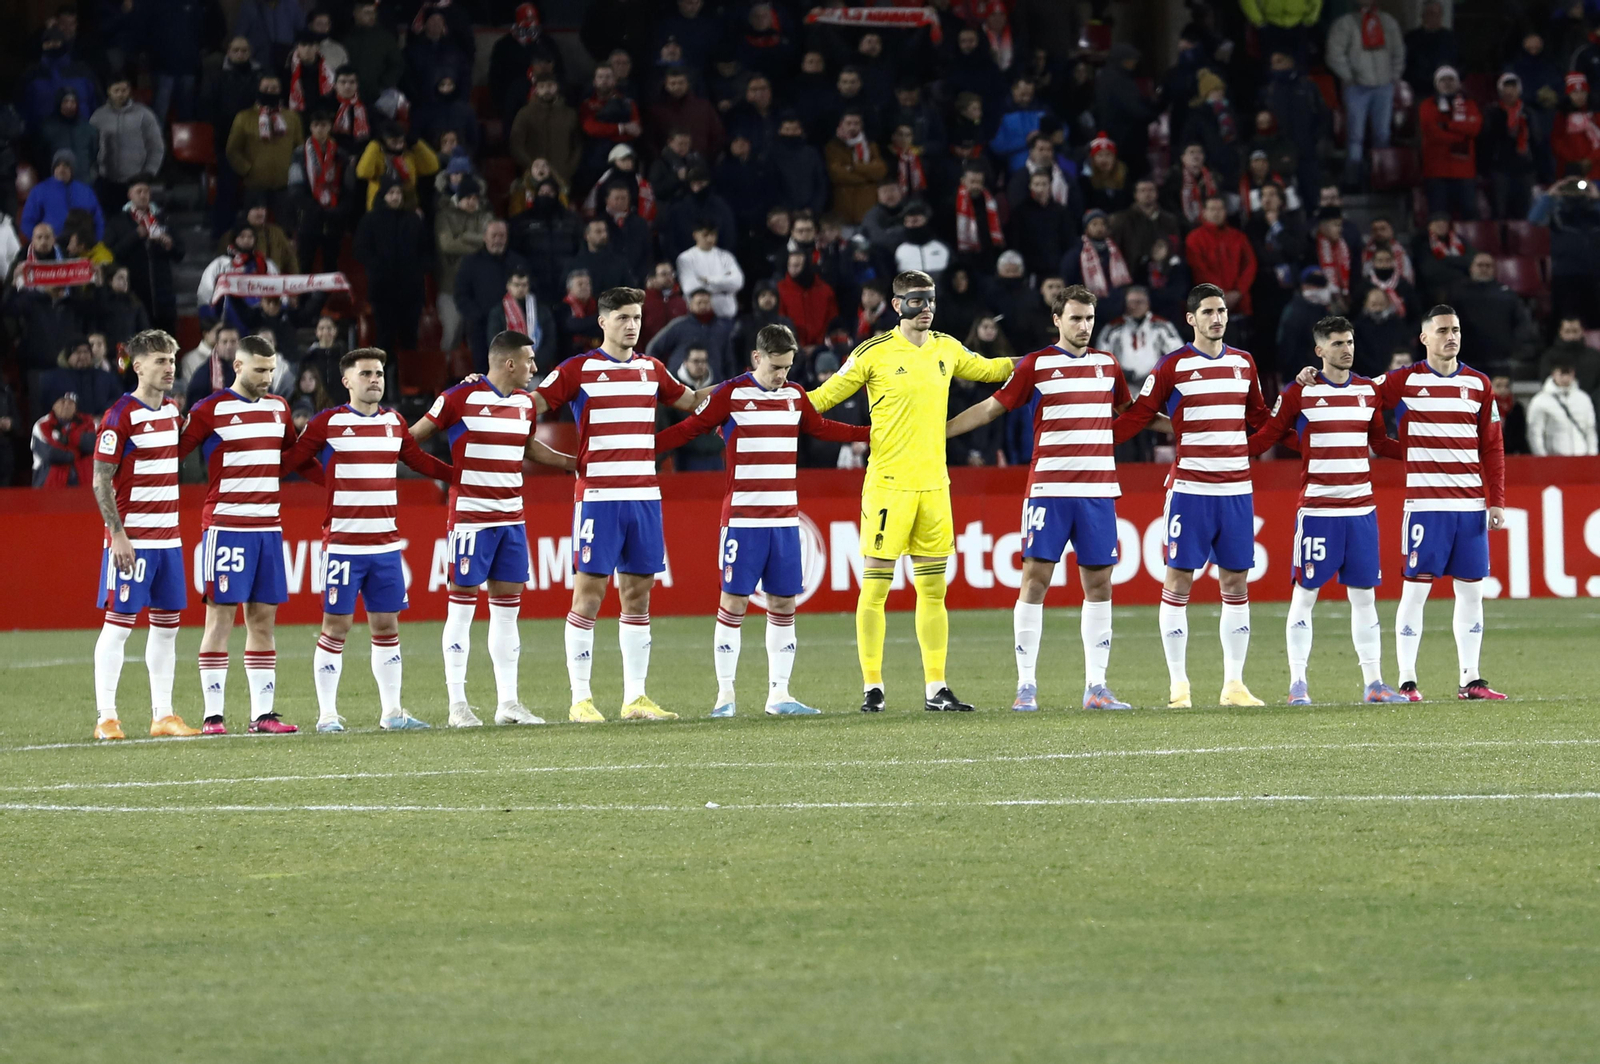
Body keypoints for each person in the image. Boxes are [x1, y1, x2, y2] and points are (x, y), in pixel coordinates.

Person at [807, 270, 1015, 714]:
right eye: (917, 302)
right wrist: (771, 399)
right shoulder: (873, 353)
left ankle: (936, 688)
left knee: (934, 592)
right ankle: (873, 687)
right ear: (897, 305)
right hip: (888, 487)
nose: (926, 309)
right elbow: (821, 399)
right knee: (876, 589)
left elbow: (993, 369)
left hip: (935, 487)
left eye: (931, 301)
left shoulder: (947, 348)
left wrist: (1041, 360)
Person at [655, 324, 870, 716]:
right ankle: (725, 697)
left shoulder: (795, 396)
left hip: (785, 523)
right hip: (742, 522)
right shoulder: (732, 394)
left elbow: (822, 428)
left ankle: (779, 695)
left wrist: (871, 433)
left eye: (788, 367)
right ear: (757, 358)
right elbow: (690, 428)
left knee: (784, 603)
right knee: (734, 603)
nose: (782, 375)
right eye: (775, 367)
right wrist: (644, 449)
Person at [1298, 306, 1507, 700]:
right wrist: (1315, 375)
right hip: (1426, 504)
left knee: (1471, 592)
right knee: (1416, 591)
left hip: (1469, 504)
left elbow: (1492, 447)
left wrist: (1495, 500)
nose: (1452, 337)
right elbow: (1353, 388)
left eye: (1456, 330)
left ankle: (1471, 679)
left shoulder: (1479, 385)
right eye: (1443, 330)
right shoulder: (1402, 381)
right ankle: (1409, 680)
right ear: (1424, 338)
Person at [943, 284, 1133, 711]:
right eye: (1075, 319)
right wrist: (940, 432)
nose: (1084, 326)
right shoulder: (1038, 364)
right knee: (1035, 581)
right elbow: (992, 408)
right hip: (1048, 490)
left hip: (1098, 491)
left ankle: (1096, 688)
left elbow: (1132, 412)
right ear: (1057, 320)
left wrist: (1185, 427)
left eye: (1089, 319)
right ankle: (1026, 685)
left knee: (1099, 584)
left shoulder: (1108, 365)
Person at [531, 288, 711, 722]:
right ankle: (581, 699)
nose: (632, 325)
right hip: (598, 499)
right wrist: (486, 392)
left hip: (645, 497)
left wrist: (741, 389)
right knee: (589, 597)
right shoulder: (578, 370)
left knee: (637, 596)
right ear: (603, 322)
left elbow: (691, 401)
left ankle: (635, 699)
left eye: (636, 317)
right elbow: (529, 406)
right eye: (623, 318)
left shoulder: (652, 369)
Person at [1112, 284, 1272, 708]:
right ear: (1191, 319)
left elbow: (1259, 417)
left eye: (1221, 310)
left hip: (1237, 490)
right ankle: (1178, 685)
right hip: (1190, 491)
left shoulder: (1244, 363)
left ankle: (1234, 685)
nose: (1217, 318)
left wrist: (1304, 429)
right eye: (1208, 312)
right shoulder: (1173, 366)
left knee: (1236, 582)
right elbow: (1140, 416)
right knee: (1180, 579)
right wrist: (1096, 437)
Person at [282, 348, 455, 732]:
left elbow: (419, 461)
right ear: (347, 381)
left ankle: (392, 713)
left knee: (386, 626)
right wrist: (323, 478)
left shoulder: (394, 422)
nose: (374, 379)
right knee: (336, 626)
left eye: (378, 373)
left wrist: (460, 475)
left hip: (386, 547)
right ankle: (327, 715)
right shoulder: (328, 422)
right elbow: (293, 461)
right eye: (366, 374)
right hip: (344, 545)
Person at [410, 331, 575, 727]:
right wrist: (446, 475)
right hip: (470, 520)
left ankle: (508, 704)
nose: (536, 368)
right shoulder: (458, 398)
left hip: (512, 520)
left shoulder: (523, 405)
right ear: (509, 363)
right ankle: (457, 706)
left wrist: (571, 462)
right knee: (462, 610)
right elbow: (409, 439)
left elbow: (529, 448)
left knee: (506, 614)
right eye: (530, 360)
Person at [1248, 316, 1408, 705]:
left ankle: (1374, 683)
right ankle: (1298, 683)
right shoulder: (1299, 393)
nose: (1346, 349)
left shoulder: (1369, 392)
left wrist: (1422, 450)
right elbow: (1267, 437)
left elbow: (1380, 443)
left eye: (1349, 341)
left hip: (1361, 510)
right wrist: (1225, 448)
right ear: (1319, 351)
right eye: (1337, 343)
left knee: (1364, 597)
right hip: (1318, 510)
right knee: (1305, 594)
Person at [177, 334, 318, 734]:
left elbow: (293, 459)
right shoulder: (211, 409)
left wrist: (336, 483)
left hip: (268, 529)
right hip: (226, 527)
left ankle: (263, 715)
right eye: (259, 370)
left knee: (263, 621)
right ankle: (213, 716)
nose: (268, 378)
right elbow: (174, 452)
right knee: (219, 621)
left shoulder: (279, 408)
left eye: (271, 370)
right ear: (237, 367)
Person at [88, 331, 197, 739]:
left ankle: (163, 715)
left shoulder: (171, 413)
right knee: (118, 625)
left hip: (169, 539)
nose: (169, 368)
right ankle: (106, 718)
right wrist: (117, 535)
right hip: (132, 539)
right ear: (138, 367)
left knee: (167, 626)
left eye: (171, 360)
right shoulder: (120, 415)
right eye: (160, 361)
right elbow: (101, 481)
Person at [1325, 0, 1404, 188]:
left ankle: (1383, 178)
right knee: (1355, 136)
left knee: (1383, 134)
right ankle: (1354, 181)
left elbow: (1398, 51)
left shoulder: (1388, 21)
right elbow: (1334, 54)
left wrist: (1393, 76)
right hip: (1356, 88)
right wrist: (1350, 77)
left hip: (1384, 86)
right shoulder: (1345, 23)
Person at [103, 175, 182, 332]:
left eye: (146, 191)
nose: (143, 195)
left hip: (163, 297)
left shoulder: (163, 219)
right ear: (129, 195)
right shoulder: (117, 222)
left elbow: (180, 253)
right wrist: (135, 236)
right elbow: (111, 255)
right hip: (134, 295)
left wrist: (170, 244)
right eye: (139, 191)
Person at [224, 75, 303, 211]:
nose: (270, 91)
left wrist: (293, 173)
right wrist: (248, 170)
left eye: (274, 88)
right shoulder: (244, 117)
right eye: (266, 88)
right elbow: (233, 150)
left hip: (284, 184)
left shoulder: (292, 117)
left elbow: (299, 148)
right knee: (254, 228)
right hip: (255, 185)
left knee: (286, 228)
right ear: (258, 90)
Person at [290, 112, 352, 275]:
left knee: (331, 264)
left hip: (334, 217)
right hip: (308, 217)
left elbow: (349, 188)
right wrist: (315, 209)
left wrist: (339, 210)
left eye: (323, 125)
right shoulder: (299, 154)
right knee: (305, 263)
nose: (320, 129)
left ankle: (328, 299)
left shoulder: (341, 154)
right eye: (316, 125)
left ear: (330, 127)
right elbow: (295, 188)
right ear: (310, 127)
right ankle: (303, 299)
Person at [434, 176, 491, 351]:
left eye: (475, 199)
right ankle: (444, 373)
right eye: (468, 198)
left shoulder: (486, 216)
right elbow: (447, 244)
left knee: (482, 337)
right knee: (451, 334)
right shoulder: (445, 216)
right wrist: (478, 241)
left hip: (479, 288)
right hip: (450, 287)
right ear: (459, 198)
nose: (472, 202)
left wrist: (463, 237)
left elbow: (490, 242)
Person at [89, 77, 163, 210]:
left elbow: (156, 146)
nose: (120, 94)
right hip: (107, 181)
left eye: (124, 90)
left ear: (129, 90)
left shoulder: (144, 114)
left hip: (136, 181)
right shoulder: (98, 117)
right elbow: (90, 147)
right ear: (109, 92)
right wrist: (95, 173)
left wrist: (149, 172)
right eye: (116, 90)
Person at [1419, 66, 1481, 220]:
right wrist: (1461, 135)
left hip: (1464, 172)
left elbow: (1474, 129)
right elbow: (1433, 133)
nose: (1447, 83)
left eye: (1451, 80)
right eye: (1443, 80)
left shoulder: (1470, 104)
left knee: (1469, 214)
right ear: (1436, 83)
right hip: (1437, 172)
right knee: (1439, 218)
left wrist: (1448, 126)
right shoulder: (1427, 105)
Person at [1096, 285, 1184, 388]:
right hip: (1122, 387)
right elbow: (1100, 360)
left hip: (1156, 385)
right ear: (1125, 304)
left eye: (1140, 301)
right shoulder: (1113, 328)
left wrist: (1161, 373)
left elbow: (1178, 356)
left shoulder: (1162, 326)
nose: (1136, 306)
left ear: (1148, 303)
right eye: (1132, 302)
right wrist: (1118, 374)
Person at [21, 149, 102, 243]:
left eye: (66, 165)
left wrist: (95, 242)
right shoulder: (39, 191)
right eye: (57, 165)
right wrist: (41, 242)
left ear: (72, 169)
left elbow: (98, 221)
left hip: (82, 247)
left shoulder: (86, 192)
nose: (61, 169)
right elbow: (27, 222)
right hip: (52, 247)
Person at [1526, 358, 1599, 456]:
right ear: (1553, 374)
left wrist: (1591, 456)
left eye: (1568, 373)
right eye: (1562, 373)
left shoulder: (1584, 398)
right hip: (1554, 461)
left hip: (1582, 459)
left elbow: (1590, 429)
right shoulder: (1540, 401)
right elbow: (1535, 433)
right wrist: (1542, 459)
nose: (1565, 378)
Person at [484, 269, 555, 369]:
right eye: (516, 285)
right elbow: (494, 341)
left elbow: (550, 339)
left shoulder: (541, 310)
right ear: (508, 286)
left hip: (537, 368)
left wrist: (535, 362)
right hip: (509, 369)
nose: (521, 289)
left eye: (524, 285)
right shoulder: (498, 312)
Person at [674, 220, 743, 321]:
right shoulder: (685, 258)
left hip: (726, 315)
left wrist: (708, 280)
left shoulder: (726, 257)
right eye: (705, 235)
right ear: (695, 235)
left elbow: (738, 283)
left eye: (713, 235)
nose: (710, 239)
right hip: (698, 317)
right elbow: (690, 287)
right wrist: (725, 285)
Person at [31, 388, 96, 488]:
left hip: (84, 485)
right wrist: (76, 453)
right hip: (50, 485)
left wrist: (69, 438)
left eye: (71, 403)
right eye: (62, 402)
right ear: (54, 405)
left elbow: (94, 445)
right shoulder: (42, 425)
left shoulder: (89, 422)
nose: (66, 406)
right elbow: (50, 454)